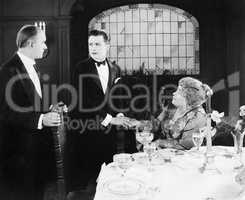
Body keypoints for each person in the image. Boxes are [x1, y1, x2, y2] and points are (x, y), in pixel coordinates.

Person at [66, 29, 132, 197]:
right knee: (90, 179)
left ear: (107, 46)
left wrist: (120, 114)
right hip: (86, 129)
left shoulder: (115, 68)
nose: (93, 48)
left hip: (108, 132)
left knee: (111, 175)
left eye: (97, 44)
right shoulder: (80, 68)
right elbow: (82, 102)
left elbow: (117, 97)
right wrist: (110, 119)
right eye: (90, 44)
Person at [0, 25, 62, 200]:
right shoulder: (8, 70)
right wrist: (42, 119)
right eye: (42, 42)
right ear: (29, 43)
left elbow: (29, 103)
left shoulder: (33, 66)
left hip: (35, 149)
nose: (45, 47)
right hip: (18, 152)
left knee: (36, 193)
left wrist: (49, 109)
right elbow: (5, 112)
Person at [152, 77, 212, 150]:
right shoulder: (174, 108)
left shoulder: (197, 116)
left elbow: (185, 146)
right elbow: (157, 123)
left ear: (189, 96)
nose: (174, 93)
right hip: (165, 154)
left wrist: (159, 143)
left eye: (178, 91)